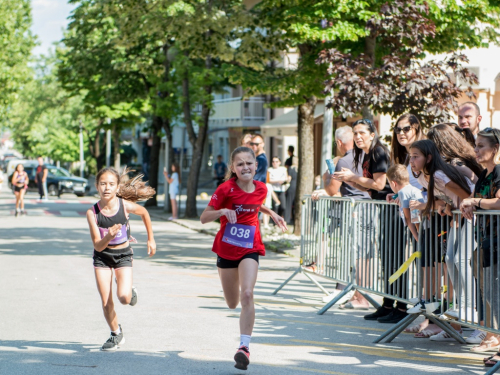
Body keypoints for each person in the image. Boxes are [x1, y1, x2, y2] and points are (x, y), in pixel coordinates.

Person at [200, 146, 287, 370]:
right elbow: (203, 217)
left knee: (247, 294)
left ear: (256, 166)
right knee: (232, 303)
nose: (245, 167)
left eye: (249, 163)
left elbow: (255, 203)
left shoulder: (261, 188)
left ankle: (244, 347)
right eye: (240, 164)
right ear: (233, 168)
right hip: (226, 250)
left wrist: (272, 213)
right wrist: (221, 212)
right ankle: (231, 290)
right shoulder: (225, 189)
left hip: (250, 248)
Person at [334, 119, 409, 323]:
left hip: (393, 210)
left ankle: (400, 306)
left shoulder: (378, 152)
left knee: (395, 257)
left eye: (361, 133)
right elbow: (369, 189)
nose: (358, 137)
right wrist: (348, 180)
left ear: (372, 134)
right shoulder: (365, 154)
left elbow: (379, 183)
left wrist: (353, 177)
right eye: (355, 133)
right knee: (386, 257)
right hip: (382, 207)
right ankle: (387, 304)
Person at [408, 140, 481, 343]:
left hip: (473, 217)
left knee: (459, 260)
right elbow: (446, 199)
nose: (411, 160)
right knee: (450, 259)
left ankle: (470, 306)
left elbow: (466, 194)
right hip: (459, 216)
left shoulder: (439, 175)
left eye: (416, 156)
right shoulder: (425, 178)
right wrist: (447, 206)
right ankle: (460, 305)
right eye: (410, 156)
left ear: (429, 158)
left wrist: (457, 207)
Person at [86, 167, 156, 351]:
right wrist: (108, 236)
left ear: (117, 187)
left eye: (111, 184)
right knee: (106, 301)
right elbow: (97, 246)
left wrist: (151, 239)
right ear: (97, 186)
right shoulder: (92, 213)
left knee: (124, 298)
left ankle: (129, 290)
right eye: (103, 184)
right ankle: (116, 333)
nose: (106, 188)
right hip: (102, 257)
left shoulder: (124, 206)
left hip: (123, 255)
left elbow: (144, 213)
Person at [460, 128, 500, 359]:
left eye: (482, 145)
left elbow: (498, 202)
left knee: (496, 294)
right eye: (476, 145)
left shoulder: (499, 171)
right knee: (489, 293)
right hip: (485, 240)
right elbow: (483, 201)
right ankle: (493, 335)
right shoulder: (484, 174)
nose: (476, 150)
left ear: (495, 148)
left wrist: (475, 200)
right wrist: (470, 205)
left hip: (497, 241)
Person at [387, 165, 423, 242]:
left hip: (422, 230)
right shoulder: (412, 189)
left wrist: (418, 239)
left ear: (393, 183)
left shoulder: (403, 193)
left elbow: (408, 219)